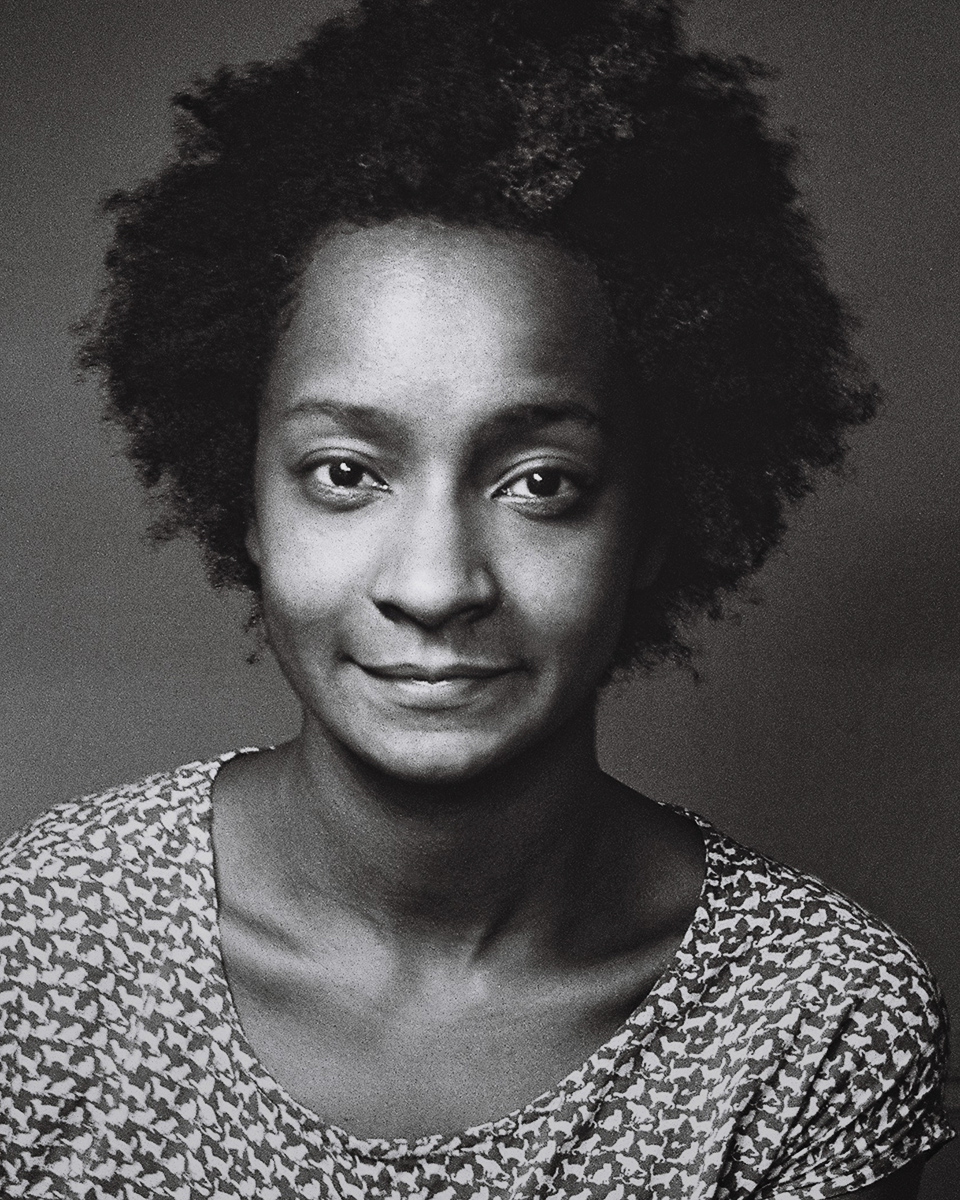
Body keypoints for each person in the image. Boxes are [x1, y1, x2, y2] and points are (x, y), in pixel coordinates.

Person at [0, 0, 952, 1195]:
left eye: (539, 482)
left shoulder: (813, 1025)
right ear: (245, 501)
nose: (435, 583)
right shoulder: (46, 947)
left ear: (656, 518)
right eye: (345, 474)